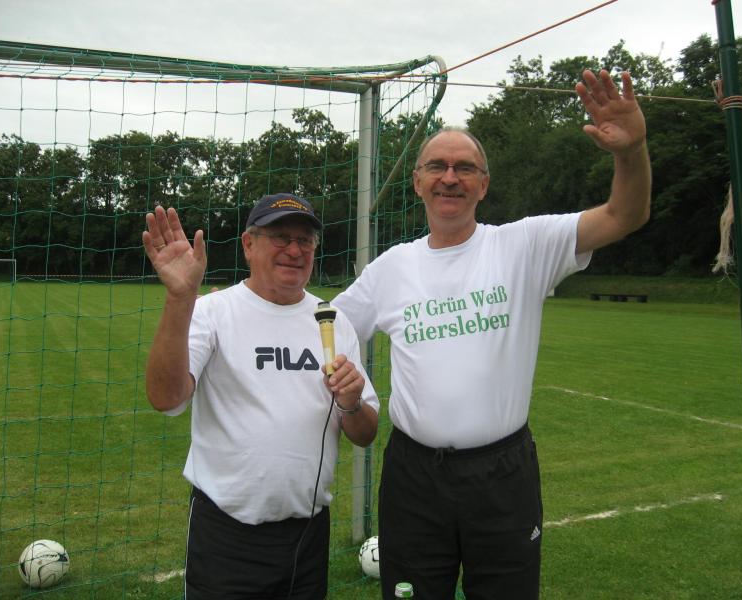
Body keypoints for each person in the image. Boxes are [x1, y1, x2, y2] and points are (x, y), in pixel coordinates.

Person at [332, 68, 651, 599]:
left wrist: (631, 151)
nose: (450, 177)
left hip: (503, 475)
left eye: (465, 168)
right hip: (414, 476)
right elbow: (331, 329)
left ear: (484, 184)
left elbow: (625, 214)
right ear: (417, 182)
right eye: (437, 166)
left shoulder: (524, 246)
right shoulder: (391, 268)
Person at [142, 193, 379, 599]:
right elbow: (166, 398)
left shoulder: (333, 320)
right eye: (280, 237)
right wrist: (180, 298)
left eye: (304, 240)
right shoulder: (213, 312)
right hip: (226, 535)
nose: (294, 250)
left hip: (308, 534)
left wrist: (352, 401)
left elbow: (365, 432)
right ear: (249, 244)